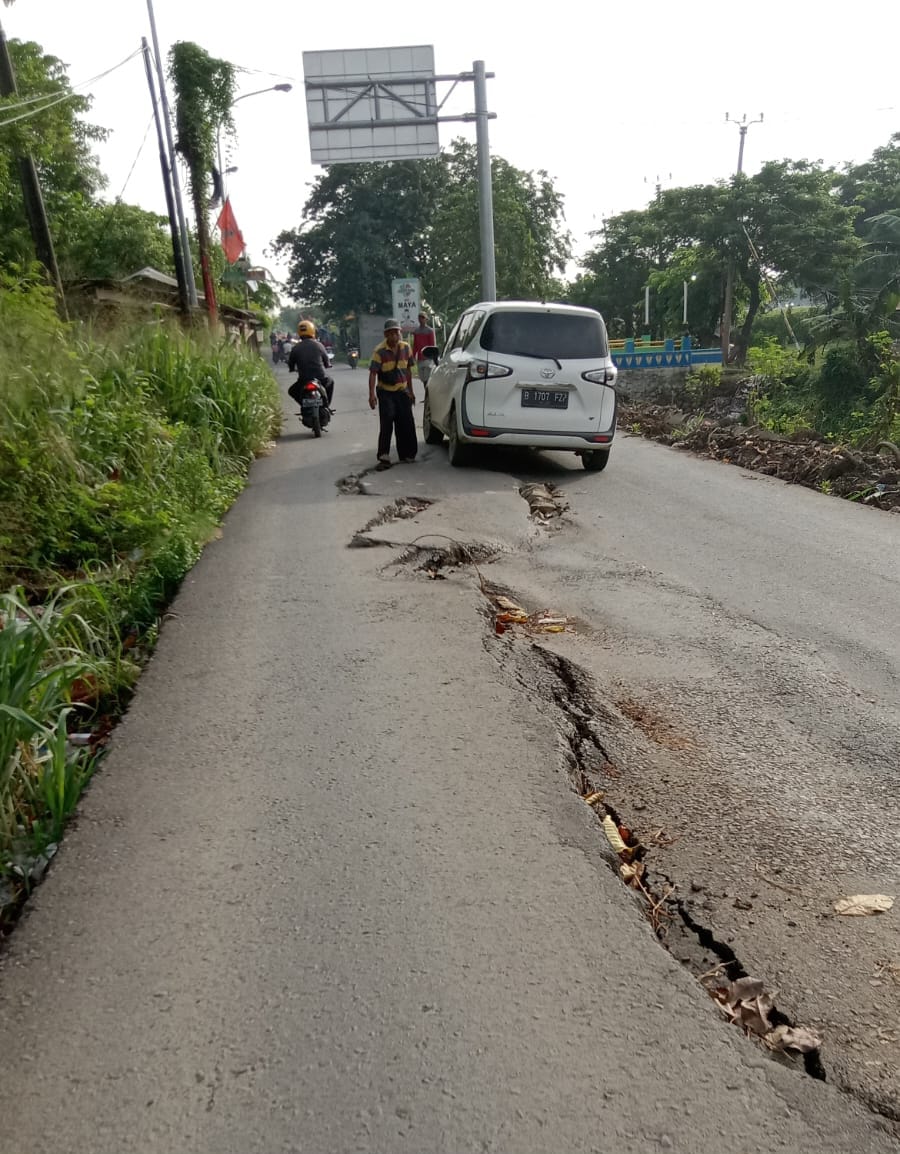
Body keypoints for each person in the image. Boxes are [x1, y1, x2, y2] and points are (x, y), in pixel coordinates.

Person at [368, 319, 417, 469]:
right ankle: (383, 455)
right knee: (387, 422)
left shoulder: (406, 347)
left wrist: (411, 391)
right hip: (386, 392)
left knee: (406, 422)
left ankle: (407, 454)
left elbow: (408, 370)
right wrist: (371, 395)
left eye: (397, 332)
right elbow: (373, 373)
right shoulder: (379, 351)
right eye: (392, 333)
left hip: (402, 390)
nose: (395, 336)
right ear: (386, 335)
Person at [288, 320, 335, 408]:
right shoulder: (319, 345)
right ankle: (326, 405)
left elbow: (291, 364)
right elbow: (327, 362)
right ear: (313, 331)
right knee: (331, 382)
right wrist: (327, 365)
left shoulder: (295, 348)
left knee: (292, 391)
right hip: (321, 378)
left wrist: (291, 369)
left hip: (304, 380)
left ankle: (304, 405)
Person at [411, 311, 436, 392]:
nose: (421, 319)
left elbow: (432, 345)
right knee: (422, 378)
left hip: (428, 358)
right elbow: (415, 345)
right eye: (420, 317)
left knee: (427, 377)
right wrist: (413, 356)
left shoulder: (430, 331)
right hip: (420, 358)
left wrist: (433, 357)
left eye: (423, 318)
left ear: (426, 319)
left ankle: (427, 394)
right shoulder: (416, 331)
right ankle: (427, 393)